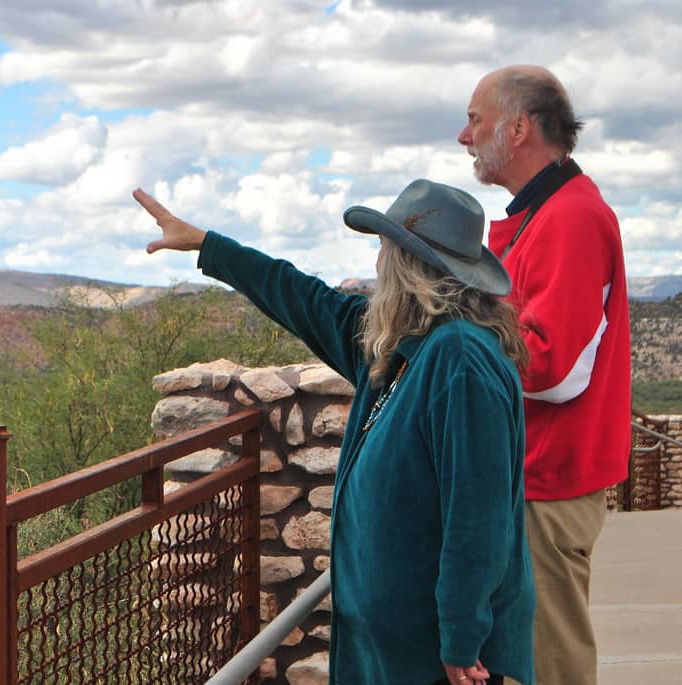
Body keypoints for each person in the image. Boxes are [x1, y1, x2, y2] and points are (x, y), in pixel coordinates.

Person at [134, 179, 535, 685]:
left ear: (412, 269)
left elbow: (478, 516)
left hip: (442, 663)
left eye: (385, 250)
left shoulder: (459, 360)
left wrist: (460, 637)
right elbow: (301, 296)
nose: (377, 265)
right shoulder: (399, 347)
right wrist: (208, 245)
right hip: (393, 649)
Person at [458, 66, 631, 685]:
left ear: (520, 127)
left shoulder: (571, 218)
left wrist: (454, 345)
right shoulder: (547, 213)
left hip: (549, 483)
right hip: (532, 478)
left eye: (475, 119)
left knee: (549, 665)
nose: (463, 136)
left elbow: (554, 368)